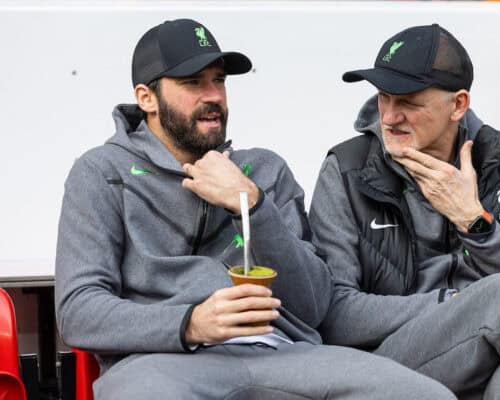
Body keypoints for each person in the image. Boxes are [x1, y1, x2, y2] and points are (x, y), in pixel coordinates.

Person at [54, 19, 457, 399]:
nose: (213, 96)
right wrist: (191, 323)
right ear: (147, 98)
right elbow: (79, 312)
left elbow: (315, 306)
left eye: (219, 81)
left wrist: (252, 203)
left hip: (282, 353)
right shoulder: (102, 173)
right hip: (163, 361)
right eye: (193, 83)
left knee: (426, 394)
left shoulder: (264, 170)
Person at [309, 24, 500, 400]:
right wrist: (458, 306)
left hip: (493, 355)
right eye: (384, 97)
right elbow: (334, 313)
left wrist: (476, 224)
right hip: (388, 364)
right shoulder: (347, 169)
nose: (388, 117)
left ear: (459, 104)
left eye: (408, 103)